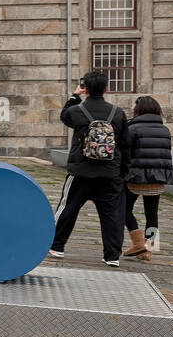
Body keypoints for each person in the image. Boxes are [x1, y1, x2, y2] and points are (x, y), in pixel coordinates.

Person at [50, 71, 129, 266]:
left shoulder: (77, 111)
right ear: (106, 89)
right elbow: (125, 144)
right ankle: (111, 256)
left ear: (86, 89)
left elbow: (64, 117)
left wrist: (74, 96)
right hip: (110, 173)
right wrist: (122, 171)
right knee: (111, 214)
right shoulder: (117, 113)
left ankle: (56, 246)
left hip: (81, 172)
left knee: (68, 208)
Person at [122, 95, 173, 262]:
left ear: (138, 110)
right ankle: (148, 251)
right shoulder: (165, 130)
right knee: (152, 214)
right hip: (158, 177)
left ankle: (138, 243)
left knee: (123, 208)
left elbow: (126, 154)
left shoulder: (132, 128)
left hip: (135, 177)